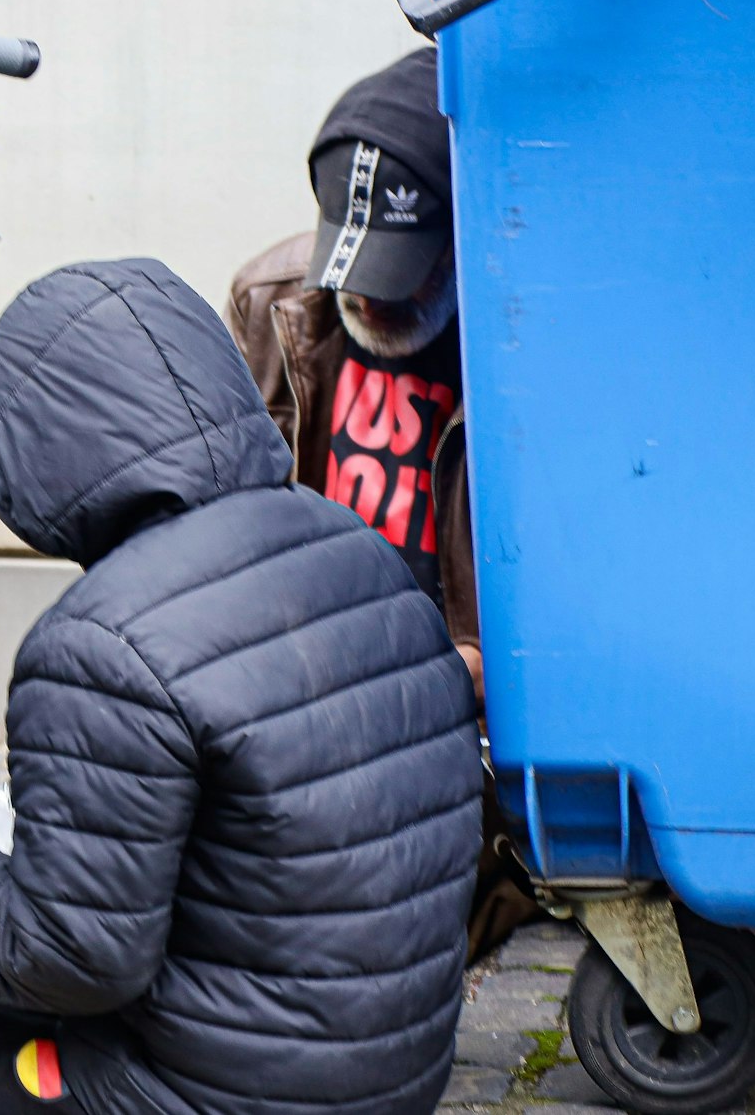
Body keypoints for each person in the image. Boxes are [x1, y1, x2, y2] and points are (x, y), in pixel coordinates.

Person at [0, 259, 482, 1114]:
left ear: (39, 460)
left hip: (195, 1097)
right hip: (387, 1086)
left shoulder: (102, 643)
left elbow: (71, 958)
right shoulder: (364, 555)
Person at [222, 48, 539, 959]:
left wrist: (482, 665)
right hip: (310, 676)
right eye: (348, 264)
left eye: (398, 267)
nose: (364, 293)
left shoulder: (522, 330)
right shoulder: (272, 301)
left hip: (459, 702)